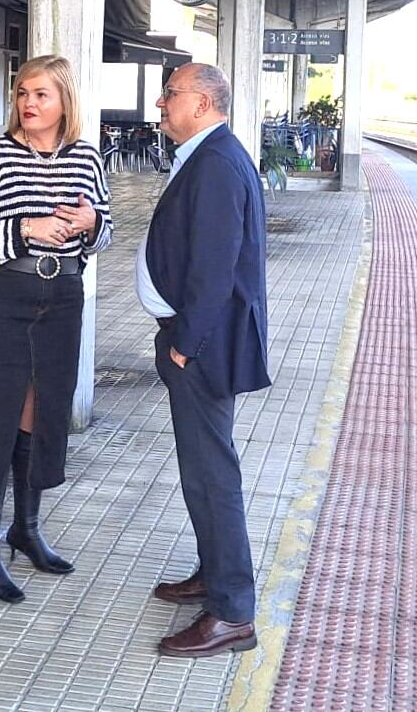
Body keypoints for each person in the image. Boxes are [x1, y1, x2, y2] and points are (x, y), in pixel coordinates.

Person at [0, 55, 113, 602]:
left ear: (64, 100)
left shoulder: (86, 156)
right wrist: (26, 228)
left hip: (63, 295)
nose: (28, 103)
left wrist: (92, 223)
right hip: (3, 293)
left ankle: (27, 528)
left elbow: (105, 229)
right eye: (23, 92)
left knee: (43, 411)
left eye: (41, 94)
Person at [139, 63, 271, 658]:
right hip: (200, 342)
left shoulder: (216, 162)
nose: (161, 103)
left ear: (202, 103)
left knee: (212, 475)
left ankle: (232, 612)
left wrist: (184, 345)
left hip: (203, 348)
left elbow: (215, 268)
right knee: (202, 470)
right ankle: (213, 572)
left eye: (170, 94)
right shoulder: (209, 154)